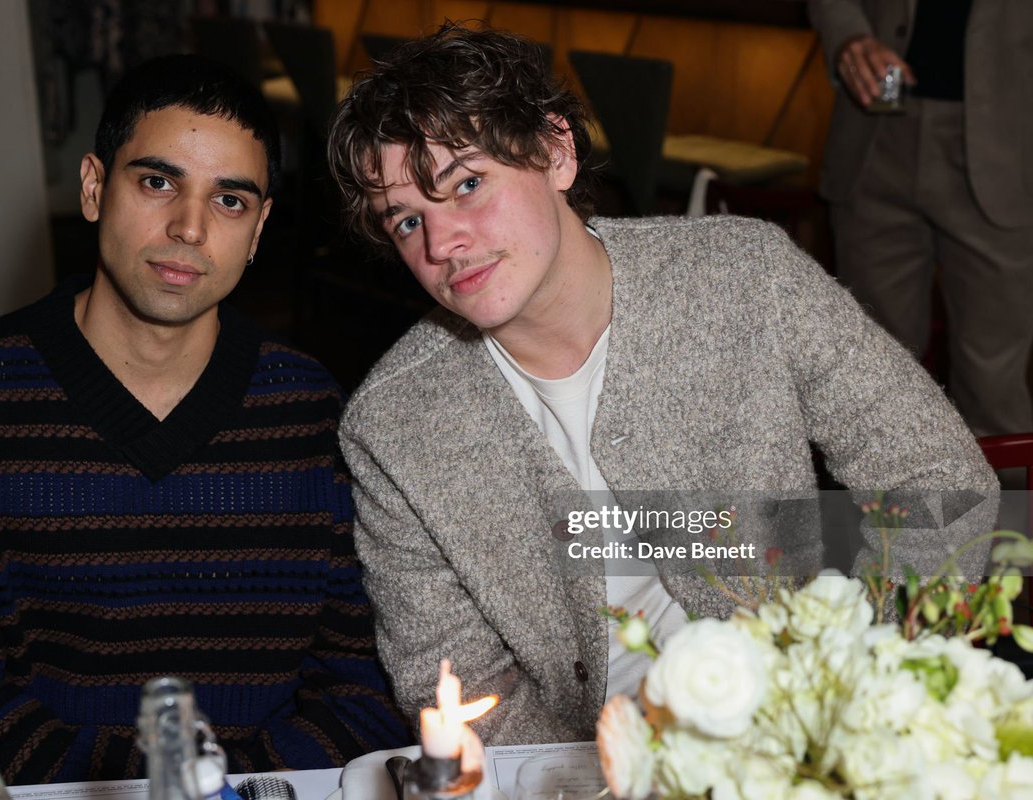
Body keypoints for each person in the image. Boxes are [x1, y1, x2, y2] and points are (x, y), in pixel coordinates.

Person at [325, 24, 997, 746]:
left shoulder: (745, 276)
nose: (441, 243)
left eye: (467, 183)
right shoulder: (394, 423)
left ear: (555, 150)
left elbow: (938, 482)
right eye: (405, 220)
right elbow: (453, 684)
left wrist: (846, 693)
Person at [0, 54, 408, 782]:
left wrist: (232, 792)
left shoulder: (315, 417)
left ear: (259, 228)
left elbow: (363, 689)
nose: (189, 227)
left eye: (230, 201)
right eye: (158, 182)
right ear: (93, 188)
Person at [808, 0, 1033, 436]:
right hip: (874, 135)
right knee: (875, 388)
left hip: (1008, 146)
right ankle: (881, 508)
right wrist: (848, 38)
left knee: (993, 394)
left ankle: (1004, 506)